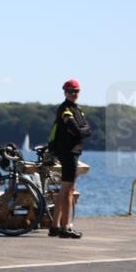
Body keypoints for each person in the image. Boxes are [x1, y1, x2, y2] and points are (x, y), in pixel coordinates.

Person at [49, 79, 91, 239]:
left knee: (64, 188)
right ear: (65, 92)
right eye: (71, 91)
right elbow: (80, 132)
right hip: (68, 152)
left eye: (76, 91)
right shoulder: (66, 109)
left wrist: (81, 131)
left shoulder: (77, 109)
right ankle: (65, 227)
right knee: (68, 189)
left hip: (72, 151)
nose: (74, 94)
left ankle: (55, 226)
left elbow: (87, 130)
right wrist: (81, 131)